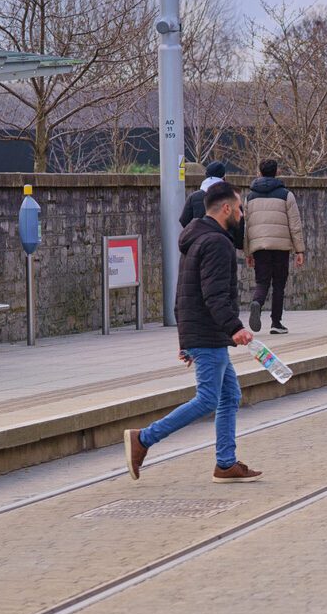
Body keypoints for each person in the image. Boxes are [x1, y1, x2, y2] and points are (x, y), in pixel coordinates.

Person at [125, 182, 262, 483]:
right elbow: (214, 295)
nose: (241, 215)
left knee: (229, 395)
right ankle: (144, 439)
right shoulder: (217, 243)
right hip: (210, 332)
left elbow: (184, 293)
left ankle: (225, 463)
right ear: (226, 208)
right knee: (208, 399)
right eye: (239, 208)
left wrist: (186, 340)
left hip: (203, 332)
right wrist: (235, 328)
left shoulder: (197, 238)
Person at [244, 159, 306, 335]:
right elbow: (295, 224)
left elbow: (246, 227)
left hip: (259, 247)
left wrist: (248, 251)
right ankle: (276, 323)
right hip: (280, 246)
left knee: (262, 281)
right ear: (277, 172)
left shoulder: (250, 197)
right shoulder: (286, 195)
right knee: (279, 284)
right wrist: (299, 250)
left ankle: (257, 302)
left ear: (260, 172)